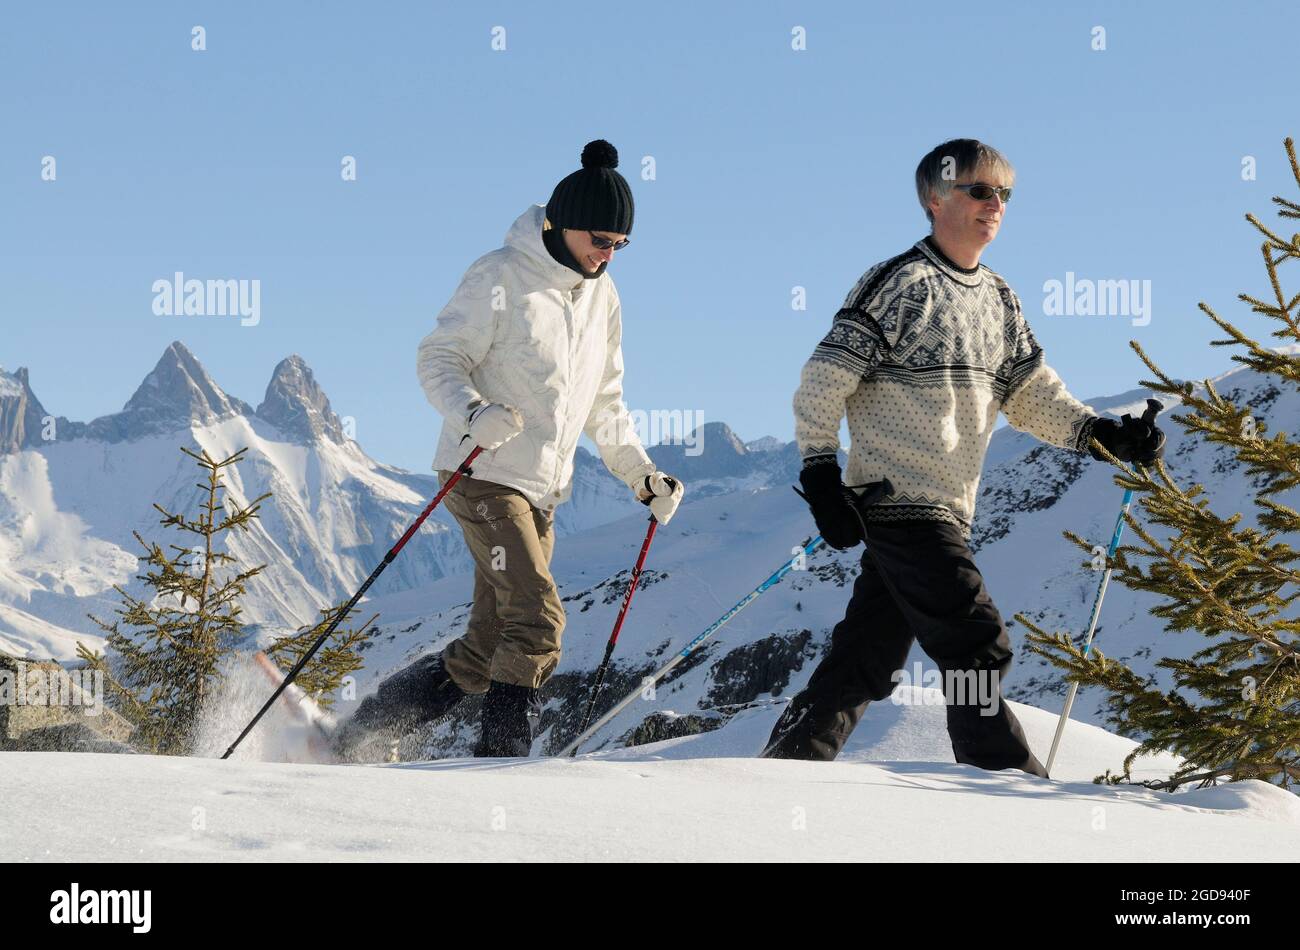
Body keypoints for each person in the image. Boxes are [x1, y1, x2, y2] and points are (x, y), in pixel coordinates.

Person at [762, 138, 1164, 777]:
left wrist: (1102, 435)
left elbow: (1032, 394)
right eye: (979, 190)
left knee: (865, 657)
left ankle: (782, 768)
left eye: (1004, 193)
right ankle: (1002, 776)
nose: (994, 204)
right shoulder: (899, 283)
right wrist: (819, 475)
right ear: (934, 198)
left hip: (949, 507)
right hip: (899, 503)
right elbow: (823, 381)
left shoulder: (999, 298)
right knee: (977, 644)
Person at [335, 139, 684, 761]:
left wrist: (642, 475)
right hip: (483, 473)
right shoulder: (501, 274)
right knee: (537, 617)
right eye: (600, 240)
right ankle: (501, 765)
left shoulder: (603, 298)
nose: (608, 255)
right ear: (564, 223)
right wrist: (474, 414)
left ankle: (358, 736)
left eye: (619, 246)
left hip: (541, 489)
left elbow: (606, 402)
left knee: (484, 647)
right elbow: (438, 357)